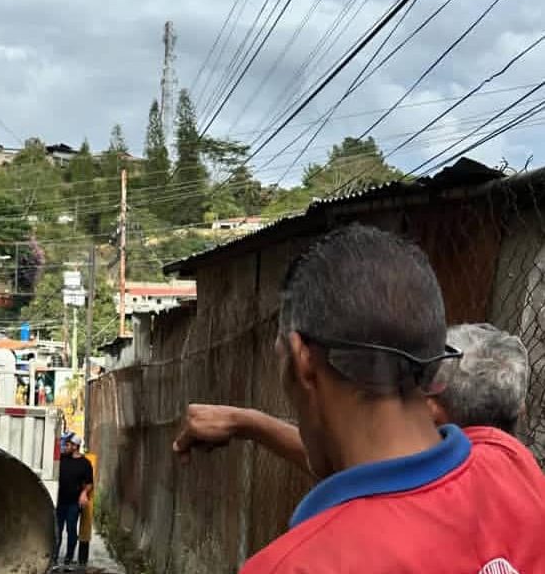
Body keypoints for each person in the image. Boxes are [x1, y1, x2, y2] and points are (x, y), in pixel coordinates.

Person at [179, 225, 545, 572]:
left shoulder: (296, 566)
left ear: (303, 361)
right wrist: (250, 424)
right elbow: (390, 473)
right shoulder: (509, 463)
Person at [174, 322, 531, 473]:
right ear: (521, 412)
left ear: (432, 412)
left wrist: (246, 423)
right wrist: (247, 423)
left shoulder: (411, 510)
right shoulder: (523, 479)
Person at [55, 433, 93, 567]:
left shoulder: (85, 463)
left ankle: (69, 557)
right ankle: (54, 556)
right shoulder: (62, 458)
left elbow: (89, 483)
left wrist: (84, 493)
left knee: (71, 530)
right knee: (57, 530)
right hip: (59, 502)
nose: (65, 447)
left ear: (75, 446)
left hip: (73, 504)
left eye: (68, 445)